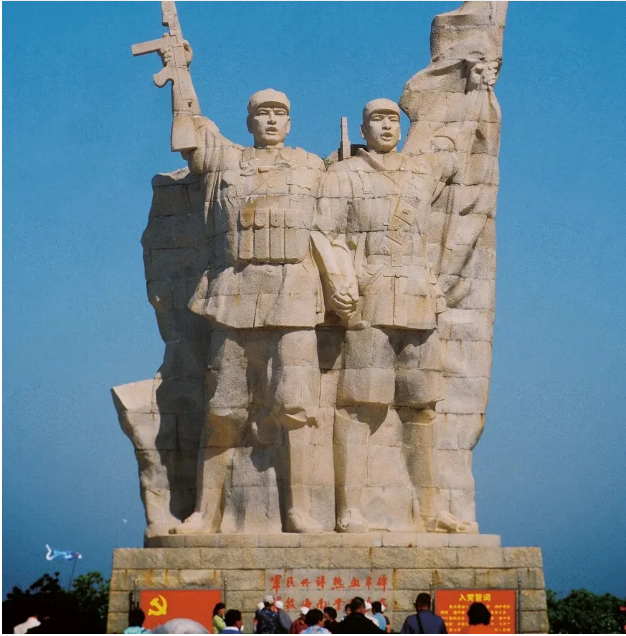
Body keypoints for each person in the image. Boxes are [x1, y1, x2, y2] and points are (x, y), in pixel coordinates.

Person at [164, 41, 327, 535]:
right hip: (233, 293)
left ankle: (299, 510)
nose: (271, 120)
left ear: (290, 122)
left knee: (296, 406)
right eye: (263, 113)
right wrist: (180, 71)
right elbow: (191, 130)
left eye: (280, 113)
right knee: (223, 408)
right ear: (249, 121)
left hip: (294, 294)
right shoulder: (227, 163)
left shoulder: (313, 166)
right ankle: (204, 513)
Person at [314, 97, 478, 533]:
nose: (387, 126)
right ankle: (349, 510)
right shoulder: (344, 175)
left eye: (393, 119)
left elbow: (458, 144)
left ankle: (429, 511)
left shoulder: (420, 173)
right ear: (363, 130)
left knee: (421, 407)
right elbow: (323, 233)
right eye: (377, 120)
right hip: (370, 299)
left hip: (420, 299)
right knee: (359, 404)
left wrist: (474, 89)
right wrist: (340, 282)